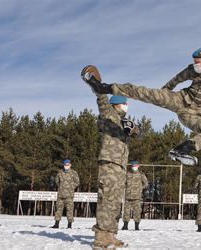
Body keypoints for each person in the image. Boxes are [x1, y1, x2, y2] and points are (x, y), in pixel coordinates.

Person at [81, 47, 201, 166]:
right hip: (180, 99)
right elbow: (178, 78)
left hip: (195, 115)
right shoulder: (193, 70)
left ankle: (182, 150)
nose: (195, 65)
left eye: (198, 62)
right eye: (194, 62)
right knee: (146, 92)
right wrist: (165, 91)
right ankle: (105, 87)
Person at [81, 65, 140, 248]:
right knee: (106, 200)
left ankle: (111, 235)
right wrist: (97, 84)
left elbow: (139, 134)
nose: (127, 106)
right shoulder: (109, 115)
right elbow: (102, 99)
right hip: (109, 165)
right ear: (118, 104)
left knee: (114, 202)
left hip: (120, 166)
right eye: (125, 103)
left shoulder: (124, 122)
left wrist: (134, 129)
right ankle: (100, 237)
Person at [51, 159, 80, 229]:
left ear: (70, 165)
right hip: (60, 195)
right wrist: (61, 187)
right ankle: (56, 224)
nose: (66, 166)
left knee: (70, 210)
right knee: (58, 209)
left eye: (67, 165)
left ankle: (69, 225)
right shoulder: (60, 173)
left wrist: (71, 187)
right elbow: (57, 182)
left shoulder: (74, 173)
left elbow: (77, 182)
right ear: (63, 165)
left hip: (69, 195)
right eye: (65, 165)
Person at [122, 161, 148, 231]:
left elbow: (146, 184)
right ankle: (125, 225)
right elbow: (123, 183)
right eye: (133, 166)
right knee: (126, 212)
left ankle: (137, 226)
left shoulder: (141, 175)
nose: (134, 167)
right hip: (128, 197)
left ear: (138, 166)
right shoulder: (127, 174)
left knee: (137, 212)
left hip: (137, 197)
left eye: (135, 166)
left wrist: (140, 188)